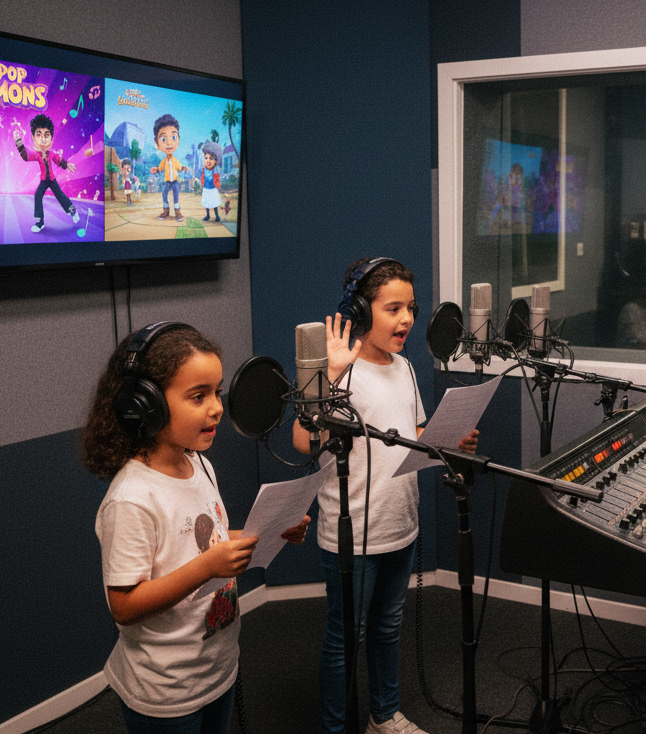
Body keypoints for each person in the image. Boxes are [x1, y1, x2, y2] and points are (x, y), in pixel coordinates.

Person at [84, 322, 310, 733]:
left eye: (217, 392)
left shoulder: (199, 464)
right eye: (198, 396)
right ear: (146, 404)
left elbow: (203, 544)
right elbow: (125, 605)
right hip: (166, 693)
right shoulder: (132, 498)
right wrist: (208, 567)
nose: (217, 408)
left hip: (215, 668)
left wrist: (270, 530)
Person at [293, 257, 479, 734]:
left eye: (410, 308)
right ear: (360, 310)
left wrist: (449, 442)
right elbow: (303, 441)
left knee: (388, 626)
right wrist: (329, 378)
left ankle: (384, 714)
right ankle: (337, 727)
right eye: (393, 308)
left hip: (400, 524)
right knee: (346, 638)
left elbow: (415, 435)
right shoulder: (341, 373)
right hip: (353, 533)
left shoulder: (406, 368)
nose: (406, 319)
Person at [15, 114, 79, 233]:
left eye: (47, 135)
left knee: (60, 195)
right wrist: (18, 142)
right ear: (34, 138)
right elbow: (25, 156)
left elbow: (58, 160)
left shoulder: (51, 153)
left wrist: (67, 164)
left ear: (51, 138)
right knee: (38, 195)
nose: (43, 139)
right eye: (39, 135)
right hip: (44, 180)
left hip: (52, 180)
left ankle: (72, 211)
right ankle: (40, 222)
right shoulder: (36, 154)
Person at [150, 114, 187, 220]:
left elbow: (179, 167)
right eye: (163, 139)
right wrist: (156, 170)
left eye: (173, 137)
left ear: (178, 138)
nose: (169, 143)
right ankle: (166, 211)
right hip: (167, 181)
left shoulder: (175, 160)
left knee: (176, 195)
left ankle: (177, 212)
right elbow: (161, 168)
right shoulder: (164, 161)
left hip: (174, 181)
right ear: (157, 143)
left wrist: (183, 169)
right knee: (164, 194)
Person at [199, 142, 222, 222]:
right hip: (206, 188)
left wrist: (218, 186)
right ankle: (208, 215)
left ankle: (217, 216)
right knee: (207, 202)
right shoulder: (203, 170)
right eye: (206, 158)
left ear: (215, 161)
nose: (208, 160)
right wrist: (202, 186)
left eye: (211, 159)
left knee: (214, 202)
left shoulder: (215, 170)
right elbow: (202, 178)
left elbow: (217, 179)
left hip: (213, 188)